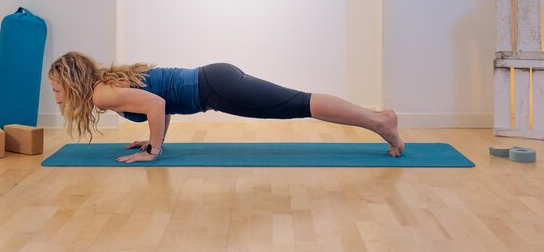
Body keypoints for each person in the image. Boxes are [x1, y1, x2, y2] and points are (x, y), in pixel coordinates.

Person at [48, 51, 404, 163]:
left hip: (216, 88)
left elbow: (156, 104)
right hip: (215, 82)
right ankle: (379, 120)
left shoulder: (101, 95)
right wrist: (152, 139)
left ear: (74, 82)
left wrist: (154, 150)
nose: (56, 96)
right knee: (298, 103)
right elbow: (161, 104)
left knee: (300, 104)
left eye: (57, 89)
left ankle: (380, 122)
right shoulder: (106, 86)